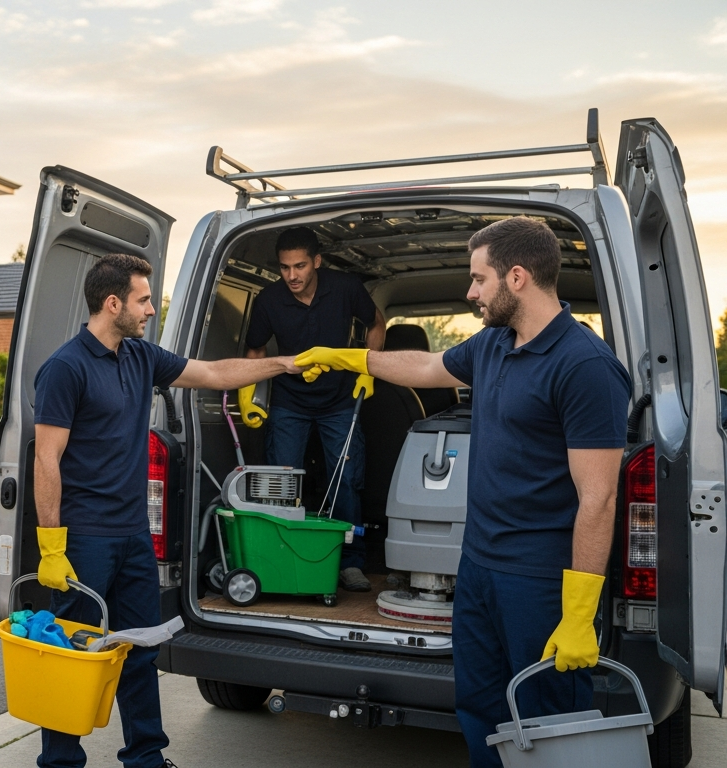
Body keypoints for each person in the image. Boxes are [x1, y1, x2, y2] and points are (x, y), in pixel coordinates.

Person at [295, 217, 630, 767]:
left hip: (541, 581)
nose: (470, 292)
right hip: (478, 566)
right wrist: (350, 357)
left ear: (516, 277)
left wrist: (577, 614)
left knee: (546, 719)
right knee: (479, 707)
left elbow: (599, 500)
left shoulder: (585, 366)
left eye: (479, 279)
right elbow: (426, 364)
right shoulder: (495, 342)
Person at [33, 253, 301, 768]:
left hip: (134, 536)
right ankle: (61, 762)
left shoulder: (141, 356)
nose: (152, 309)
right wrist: (52, 544)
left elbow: (216, 373)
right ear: (113, 304)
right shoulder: (65, 368)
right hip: (83, 540)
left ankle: (146, 758)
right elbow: (47, 459)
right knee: (74, 655)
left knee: (140, 650)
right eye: (143, 300)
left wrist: (284, 363)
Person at [242, 226, 385, 592]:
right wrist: (249, 393)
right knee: (280, 483)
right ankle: (278, 556)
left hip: (340, 401)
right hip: (289, 403)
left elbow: (376, 323)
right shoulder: (269, 300)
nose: (292, 275)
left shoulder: (345, 287)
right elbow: (256, 352)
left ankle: (349, 563)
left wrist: (368, 367)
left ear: (316, 262)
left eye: (300, 266)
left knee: (347, 481)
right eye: (285, 267)